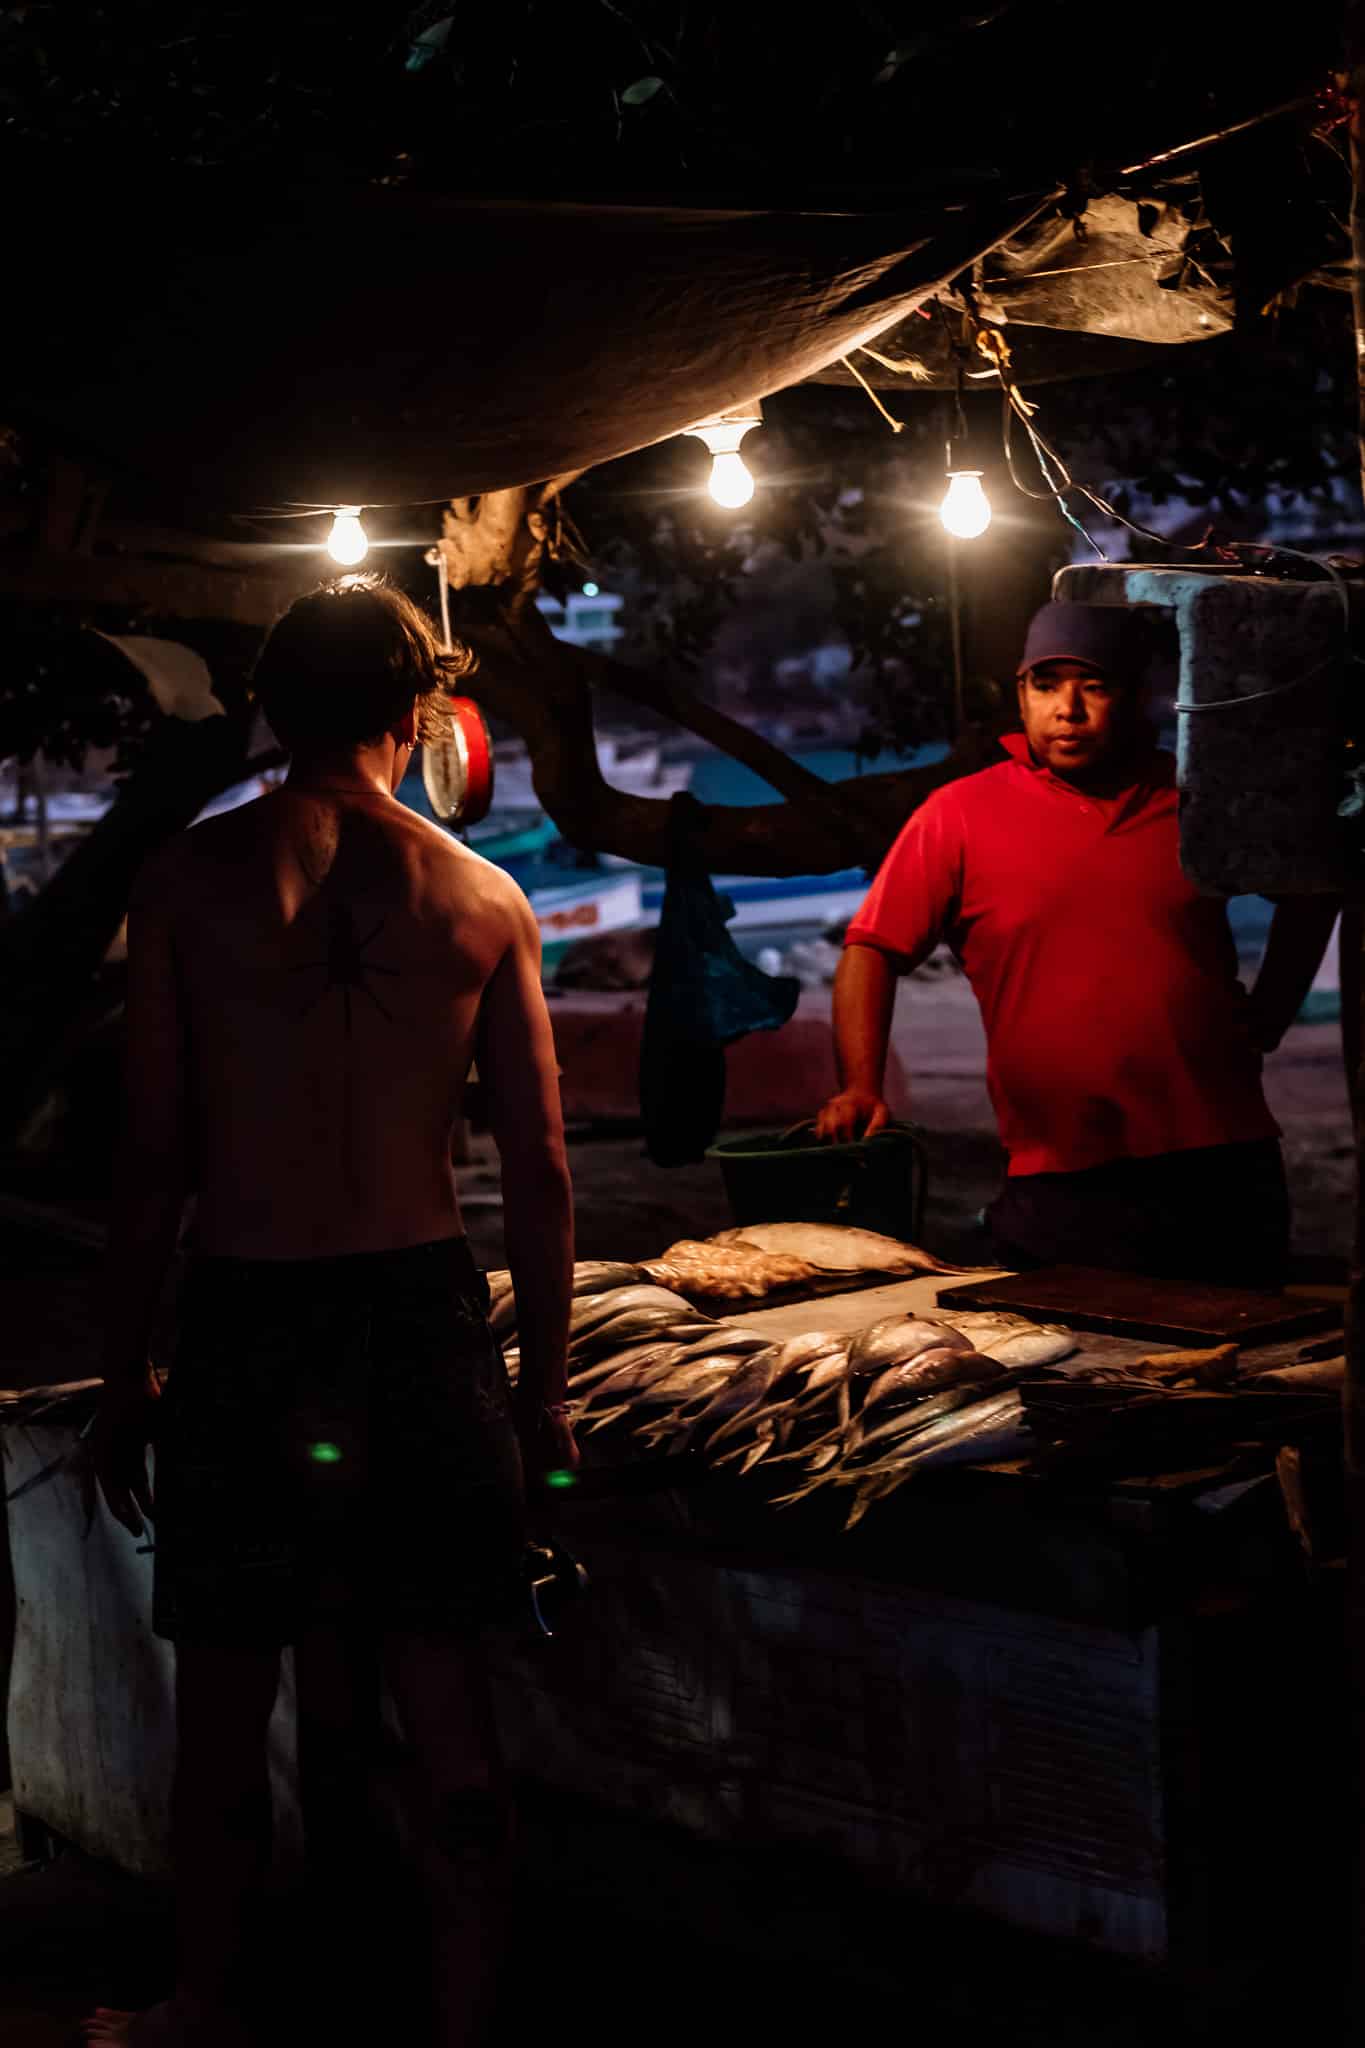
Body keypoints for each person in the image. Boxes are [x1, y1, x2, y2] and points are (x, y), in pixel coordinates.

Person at [86, 576, 577, 2048]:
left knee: (229, 1692)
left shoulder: (185, 880)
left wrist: (123, 1371)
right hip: (418, 1319)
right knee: (447, 1699)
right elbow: (542, 1171)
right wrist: (541, 1395)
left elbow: (154, 1156)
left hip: (248, 1316)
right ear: (414, 711)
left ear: (268, 708)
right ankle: (460, 2017)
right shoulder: (482, 898)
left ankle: (206, 2002)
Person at [815, 600, 1337, 1286]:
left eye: (1094, 686)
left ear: (1136, 696)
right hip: (1058, 1167)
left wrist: (1271, 1010)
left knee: (1242, 1364)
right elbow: (870, 949)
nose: (1067, 709)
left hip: (1220, 1155)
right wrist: (859, 1085)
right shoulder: (958, 816)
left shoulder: (1194, 801)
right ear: (1020, 693)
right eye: (1045, 685)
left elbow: (1310, 889)